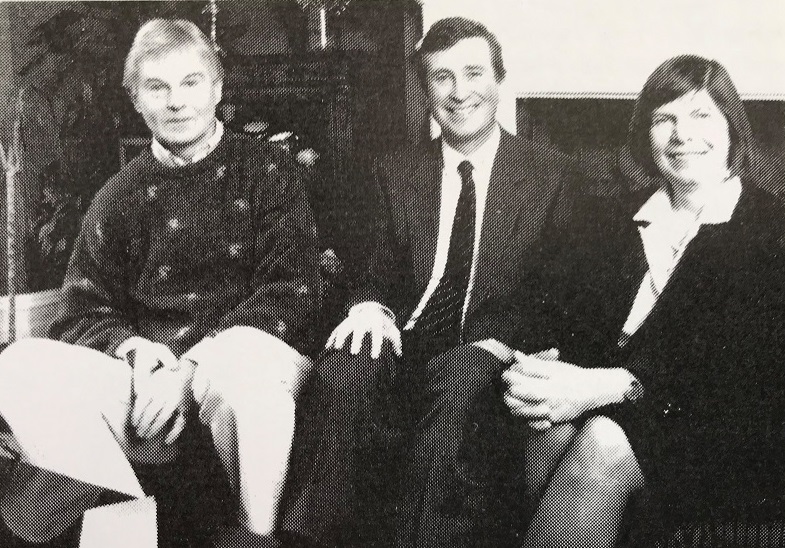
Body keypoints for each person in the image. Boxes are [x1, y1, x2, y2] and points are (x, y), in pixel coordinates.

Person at [0, 19, 319, 547]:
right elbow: (80, 309)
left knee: (244, 374)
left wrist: (193, 366)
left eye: (191, 83)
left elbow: (295, 288)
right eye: (158, 87)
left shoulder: (269, 171)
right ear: (137, 102)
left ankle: (254, 538)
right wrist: (137, 355)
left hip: (244, 362)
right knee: (16, 365)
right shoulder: (118, 194)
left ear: (217, 89)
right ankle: (122, 514)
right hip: (148, 382)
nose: (176, 102)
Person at [279, 17, 575, 548]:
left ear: (499, 81)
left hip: (486, 349)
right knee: (347, 360)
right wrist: (369, 307)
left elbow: (559, 293)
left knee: (462, 372)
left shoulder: (552, 176)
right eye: (442, 78)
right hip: (407, 342)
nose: (460, 93)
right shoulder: (393, 171)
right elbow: (373, 269)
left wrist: (509, 341)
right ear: (425, 91)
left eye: (473, 73)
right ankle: (308, 540)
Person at [472, 54, 785, 547]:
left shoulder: (770, 230)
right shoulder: (614, 219)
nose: (682, 135)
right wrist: (536, 363)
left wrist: (615, 386)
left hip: (720, 435)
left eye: (701, 115)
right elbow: (559, 317)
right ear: (647, 133)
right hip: (616, 408)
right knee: (546, 430)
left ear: (732, 129)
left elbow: (750, 379)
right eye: (665, 119)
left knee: (601, 441)